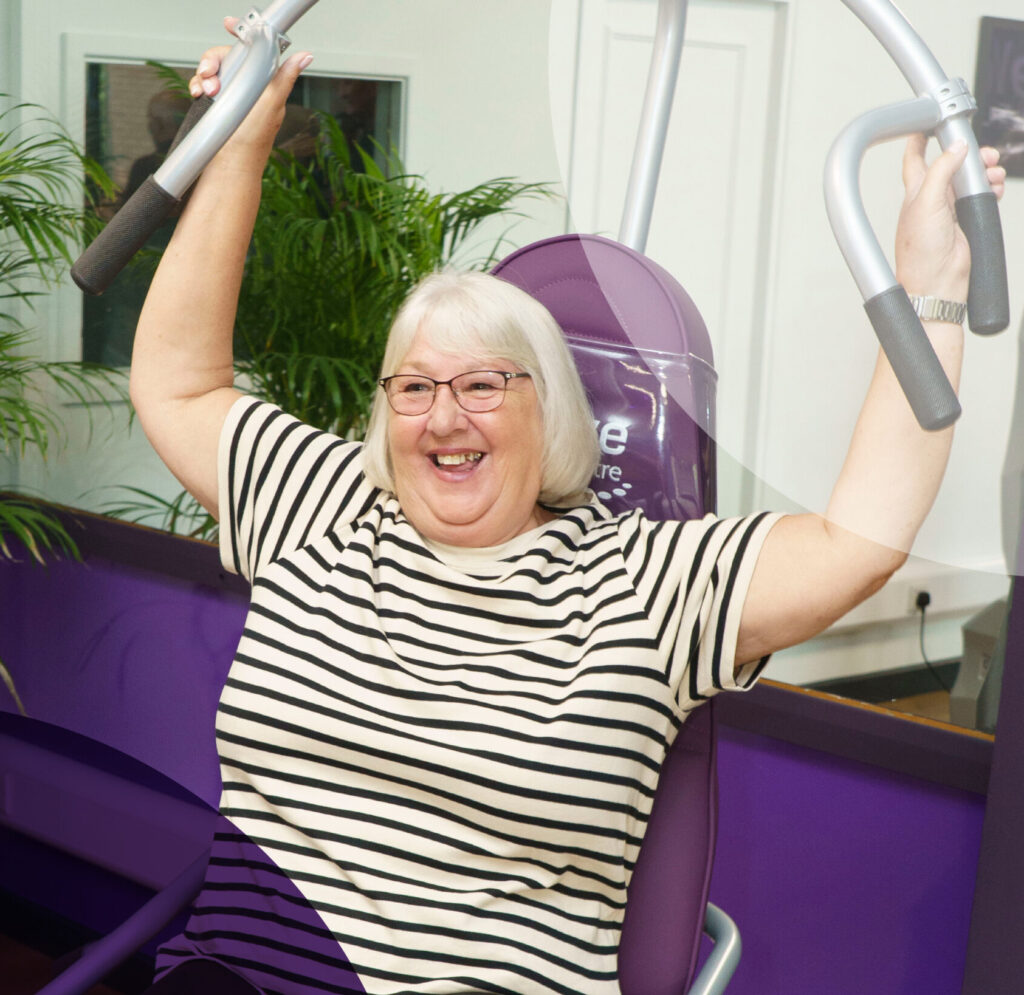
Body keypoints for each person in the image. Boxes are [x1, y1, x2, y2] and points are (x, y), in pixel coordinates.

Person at [127, 20, 1006, 995]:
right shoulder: (323, 503)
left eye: (483, 384)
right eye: (413, 387)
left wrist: (930, 290)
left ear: (549, 410)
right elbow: (178, 384)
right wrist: (241, 142)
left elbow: (859, 540)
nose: (443, 416)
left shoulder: (642, 584)